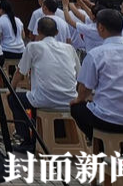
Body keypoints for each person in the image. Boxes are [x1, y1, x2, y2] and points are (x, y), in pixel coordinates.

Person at [70, 9, 123, 141]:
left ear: (100, 28)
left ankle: (99, 142)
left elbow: (84, 90)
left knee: (77, 108)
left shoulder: (96, 54)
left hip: (110, 121)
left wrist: (78, 100)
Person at [8, 17, 80, 146]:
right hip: (70, 99)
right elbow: (79, 76)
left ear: (38, 31)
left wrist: (11, 89)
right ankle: (57, 135)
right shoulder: (69, 48)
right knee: (36, 95)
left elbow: (20, 72)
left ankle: (27, 141)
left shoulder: (33, 47)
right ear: (57, 32)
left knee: (14, 99)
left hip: (44, 99)